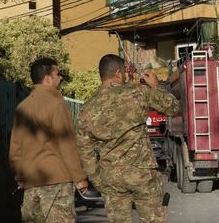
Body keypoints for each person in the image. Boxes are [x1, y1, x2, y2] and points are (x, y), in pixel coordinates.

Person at [76, 54, 179, 223]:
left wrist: (98, 181)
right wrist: (156, 86)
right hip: (142, 174)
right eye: (123, 72)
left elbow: (85, 151)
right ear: (118, 73)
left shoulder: (86, 109)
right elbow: (172, 107)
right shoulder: (138, 92)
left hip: (112, 178)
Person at [9, 57, 89, 223]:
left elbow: (15, 149)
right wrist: (79, 178)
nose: (61, 77)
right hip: (57, 183)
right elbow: (67, 145)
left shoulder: (22, 107)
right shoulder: (57, 105)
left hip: (31, 184)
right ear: (47, 78)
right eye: (58, 74)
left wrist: (20, 176)